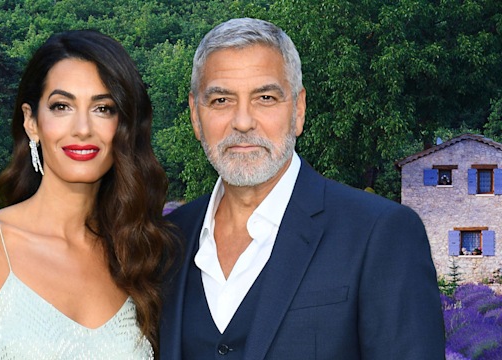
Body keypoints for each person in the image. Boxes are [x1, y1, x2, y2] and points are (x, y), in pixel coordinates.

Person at [159, 18, 445, 359]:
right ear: (195, 115)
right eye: (221, 100)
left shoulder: (380, 233)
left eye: (265, 97)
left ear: (298, 109)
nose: (243, 121)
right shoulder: (169, 239)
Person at [0, 30, 175, 359]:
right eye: (61, 106)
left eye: (103, 108)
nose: (82, 128)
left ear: (124, 126)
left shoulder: (142, 254)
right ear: (31, 122)